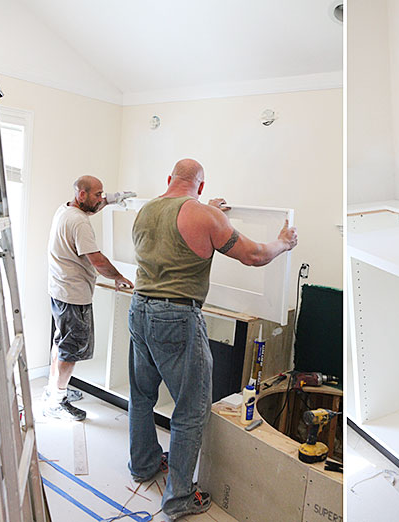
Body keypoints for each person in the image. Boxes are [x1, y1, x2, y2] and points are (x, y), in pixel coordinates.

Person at [127, 158, 297, 519]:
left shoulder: (145, 211)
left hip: (139, 308)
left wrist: (210, 214)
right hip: (176, 316)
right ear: (201, 187)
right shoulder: (204, 216)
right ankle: (178, 499)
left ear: (169, 179)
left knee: (142, 394)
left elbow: (175, 231)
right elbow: (253, 255)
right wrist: (283, 242)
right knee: (191, 408)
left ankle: (142, 466)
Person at [45, 176, 135, 421]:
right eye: (97, 194)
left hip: (60, 291)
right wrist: (117, 277)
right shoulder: (79, 222)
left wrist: (114, 198)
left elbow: (96, 206)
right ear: (81, 195)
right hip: (73, 295)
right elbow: (96, 259)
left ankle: (54, 389)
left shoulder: (65, 210)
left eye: (102, 193)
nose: (101, 198)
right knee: (70, 351)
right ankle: (57, 402)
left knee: (61, 343)